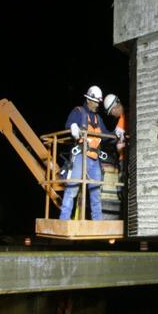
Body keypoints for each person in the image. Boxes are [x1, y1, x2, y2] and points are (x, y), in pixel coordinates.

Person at [59, 85, 111, 221]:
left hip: (94, 158)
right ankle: (64, 219)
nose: (97, 104)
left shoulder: (98, 119)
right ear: (88, 100)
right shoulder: (78, 112)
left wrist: (116, 135)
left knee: (95, 192)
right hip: (81, 155)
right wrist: (73, 126)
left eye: (98, 102)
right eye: (95, 101)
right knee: (72, 188)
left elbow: (106, 135)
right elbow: (68, 123)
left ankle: (97, 221)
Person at [103, 94, 127, 196]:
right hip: (122, 159)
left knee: (126, 191)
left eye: (111, 111)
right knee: (122, 191)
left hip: (128, 160)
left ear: (115, 107)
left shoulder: (130, 117)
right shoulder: (121, 119)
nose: (112, 114)